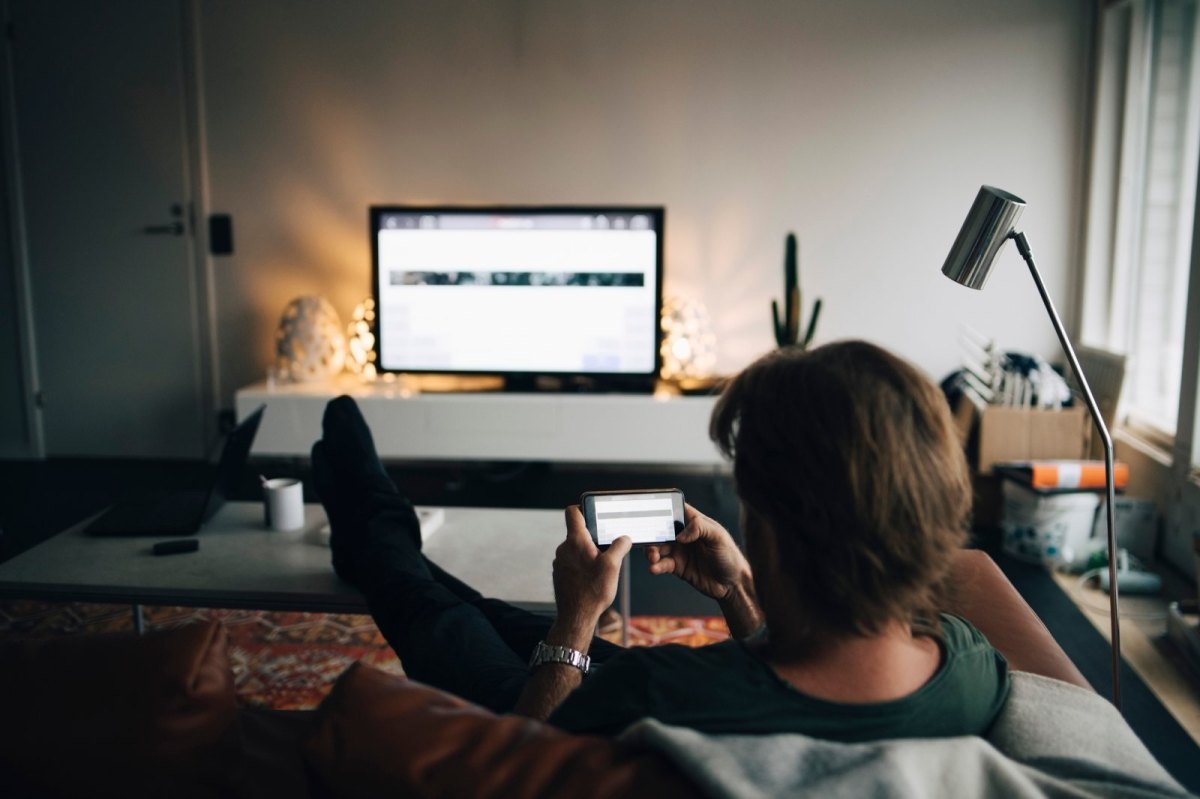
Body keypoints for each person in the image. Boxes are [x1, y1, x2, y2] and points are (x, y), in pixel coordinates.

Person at [311, 339, 1009, 739]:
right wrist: (739, 587)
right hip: (679, 678)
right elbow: (812, 665)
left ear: (769, 524)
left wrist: (579, 616)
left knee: (437, 613)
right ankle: (381, 531)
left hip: (549, 707)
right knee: (491, 612)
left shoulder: (670, 690)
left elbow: (531, 760)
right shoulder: (970, 660)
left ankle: (374, 528)